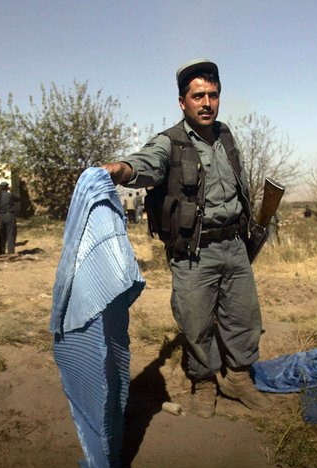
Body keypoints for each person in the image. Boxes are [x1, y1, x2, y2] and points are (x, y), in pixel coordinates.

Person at [102, 58, 270, 418]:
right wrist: (121, 170)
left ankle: (238, 378)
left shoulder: (226, 135)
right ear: (183, 102)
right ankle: (205, 380)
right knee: (195, 323)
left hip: (235, 247)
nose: (206, 103)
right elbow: (146, 163)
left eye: (213, 95)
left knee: (243, 318)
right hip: (194, 252)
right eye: (198, 96)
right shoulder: (170, 142)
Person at [0, 181, 19, 255]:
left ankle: (1, 251)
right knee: (11, 233)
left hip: (1, 216)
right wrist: (12, 191)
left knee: (2, 234)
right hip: (10, 215)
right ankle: (11, 251)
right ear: (7, 187)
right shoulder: (10, 195)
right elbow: (18, 198)